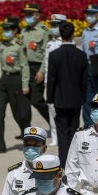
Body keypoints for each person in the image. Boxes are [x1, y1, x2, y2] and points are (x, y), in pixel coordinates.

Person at [46, 21, 88, 167]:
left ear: (60, 35)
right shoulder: (81, 55)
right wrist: (83, 98)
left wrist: (49, 98)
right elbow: (84, 79)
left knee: (62, 133)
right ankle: (74, 161)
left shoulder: (54, 55)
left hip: (60, 100)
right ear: (73, 34)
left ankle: (63, 163)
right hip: (76, 100)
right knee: (73, 131)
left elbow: (51, 78)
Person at [0, 16, 30, 154]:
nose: (5, 31)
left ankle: (30, 138)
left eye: (8, 29)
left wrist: (25, 84)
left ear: (15, 31)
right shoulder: (2, 45)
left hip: (16, 80)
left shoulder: (19, 46)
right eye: (4, 29)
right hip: (4, 80)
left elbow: (24, 65)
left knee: (18, 114)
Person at [20, 3, 50, 125]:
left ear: (37, 15)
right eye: (26, 14)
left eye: (30, 14)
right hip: (25, 67)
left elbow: (46, 53)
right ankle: (25, 128)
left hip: (37, 67)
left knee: (37, 100)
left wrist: (42, 71)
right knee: (24, 100)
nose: (27, 17)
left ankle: (54, 123)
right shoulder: (24, 31)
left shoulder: (44, 31)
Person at [43, 14, 66, 147]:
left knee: (63, 110)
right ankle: (55, 136)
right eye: (52, 25)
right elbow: (46, 64)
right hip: (52, 81)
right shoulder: (50, 44)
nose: (53, 28)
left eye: (56, 25)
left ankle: (63, 133)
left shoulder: (67, 42)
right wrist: (47, 82)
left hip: (64, 82)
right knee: (51, 109)